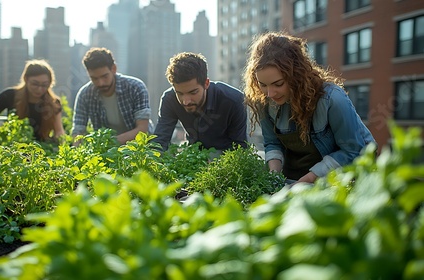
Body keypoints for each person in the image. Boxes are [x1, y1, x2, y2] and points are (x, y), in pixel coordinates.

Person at [243, 31, 376, 184]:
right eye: (263, 84)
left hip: (342, 179)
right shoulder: (264, 99)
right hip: (297, 179)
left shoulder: (332, 99)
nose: (270, 93)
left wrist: (309, 179)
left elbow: (353, 151)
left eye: (278, 84)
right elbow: (272, 143)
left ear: (296, 75)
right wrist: (274, 177)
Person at [153, 52, 248, 156]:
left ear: (206, 83)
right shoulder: (169, 99)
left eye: (193, 92)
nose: (186, 101)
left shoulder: (234, 100)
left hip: (226, 158)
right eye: (179, 93)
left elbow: (240, 147)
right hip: (193, 156)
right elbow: (160, 141)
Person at [71, 47, 151, 145]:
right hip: (107, 152)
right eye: (94, 78)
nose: (100, 83)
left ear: (114, 69)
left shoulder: (135, 87)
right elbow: (78, 130)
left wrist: (110, 143)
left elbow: (142, 129)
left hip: (139, 148)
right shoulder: (85, 94)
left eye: (104, 76)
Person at [0, 59, 65, 142]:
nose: (39, 89)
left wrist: (62, 146)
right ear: (26, 79)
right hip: (13, 149)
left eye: (44, 85)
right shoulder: (9, 95)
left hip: (41, 149)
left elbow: (59, 131)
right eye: (35, 84)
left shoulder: (54, 103)